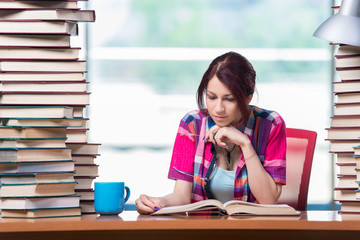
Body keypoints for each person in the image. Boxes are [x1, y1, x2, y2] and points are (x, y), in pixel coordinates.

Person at [135, 51, 286, 214]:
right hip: (203, 231)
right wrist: (158, 202)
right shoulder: (192, 124)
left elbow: (269, 200)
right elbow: (181, 195)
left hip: (252, 231)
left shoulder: (270, 124)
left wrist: (245, 143)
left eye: (229, 99)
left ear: (248, 97)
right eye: (212, 97)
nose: (218, 109)